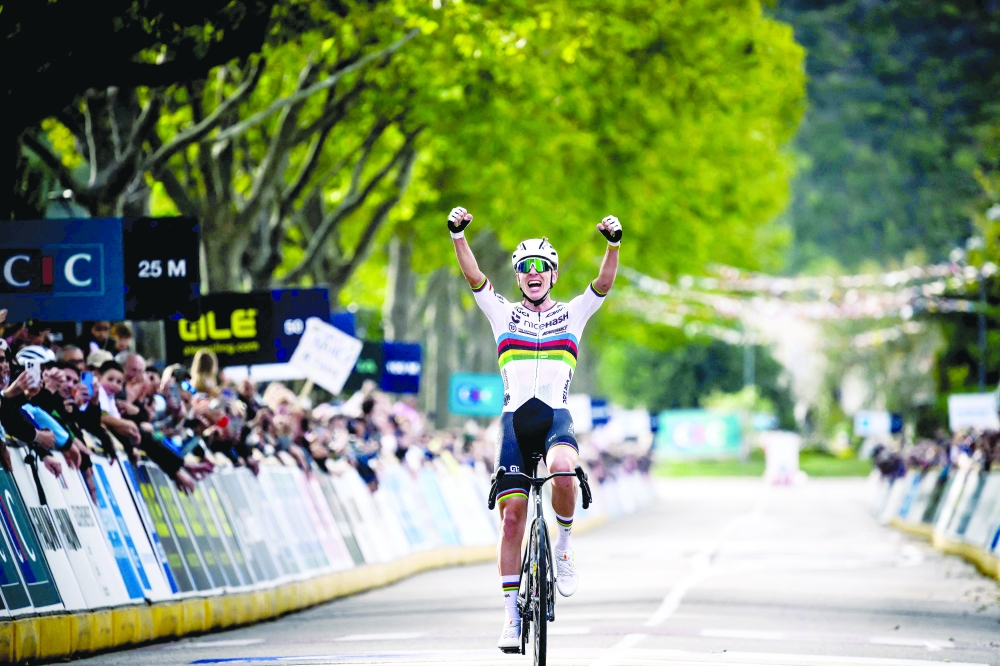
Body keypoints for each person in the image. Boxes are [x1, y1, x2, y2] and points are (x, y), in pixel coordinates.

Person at [447, 205, 621, 650]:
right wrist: (458, 236)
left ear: (554, 275)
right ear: (519, 277)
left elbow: (602, 284)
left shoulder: (572, 314)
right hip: (513, 423)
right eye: (525, 267)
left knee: (564, 468)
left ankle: (562, 544)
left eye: (542, 267)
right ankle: (509, 618)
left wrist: (612, 245)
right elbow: (473, 277)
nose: (534, 273)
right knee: (511, 522)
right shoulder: (502, 314)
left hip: (554, 417)